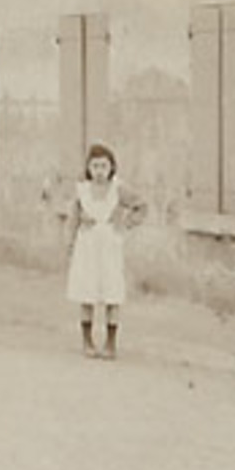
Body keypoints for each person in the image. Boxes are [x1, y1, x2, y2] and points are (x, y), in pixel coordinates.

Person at [66, 143, 146, 359]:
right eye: (95, 166)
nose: (99, 171)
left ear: (111, 167)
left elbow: (141, 205)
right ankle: (87, 340)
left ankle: (110, 343)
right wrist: (70, 245)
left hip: (110, 244)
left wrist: (125, 222)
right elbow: (72, 219)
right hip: (87, 245)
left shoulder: (118, 189)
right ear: (88, 168)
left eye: (104, 166)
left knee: (112, 292)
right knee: (87, 292)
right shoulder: (82, 190)